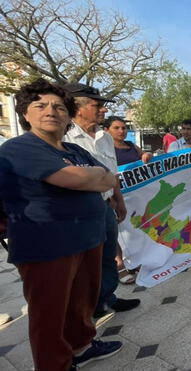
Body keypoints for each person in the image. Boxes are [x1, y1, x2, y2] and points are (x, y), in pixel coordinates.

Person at [0, 78, 122, 371]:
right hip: (47, 247)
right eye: (40, 105)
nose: (50, 111)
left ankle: (81, 346)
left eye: (58, 106)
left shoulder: (73, 150)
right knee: (50, 313)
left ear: (68, 114)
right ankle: (55, 364)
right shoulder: (19, 148)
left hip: (87, 238)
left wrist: (93, 177)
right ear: (25, 113)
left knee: (81, 303)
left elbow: (108, 176)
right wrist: (90, 176)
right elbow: (84, 179)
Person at [63, 82, 141, 318]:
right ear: (78, 108)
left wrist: (119, 200)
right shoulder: (64, 136)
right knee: (85, 262)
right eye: (97, 105)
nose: (103, 111)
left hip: (106, 206)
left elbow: (112, 173)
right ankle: (85, 309)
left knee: (108, 257)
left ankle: (106, 299)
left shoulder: (104, 138)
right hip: (80, 210)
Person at [103, 115, 151, 283]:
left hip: (136, 196)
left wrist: (147, 155)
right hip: (116, 194)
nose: (121, 131)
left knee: (134, 227)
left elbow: (145, 155)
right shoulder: (105, 149)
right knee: (117, 231)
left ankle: (134, 260)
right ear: (106, 130)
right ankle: (120, 264)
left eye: (123, 128)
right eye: (116, 128)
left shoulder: (131, 145)